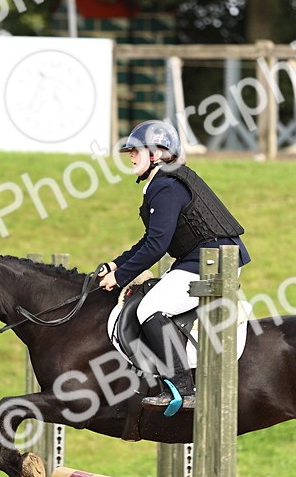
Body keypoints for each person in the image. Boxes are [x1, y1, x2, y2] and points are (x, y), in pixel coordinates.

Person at [98, 119, 250, 416]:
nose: (130, 155)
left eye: (136, 150)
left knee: (148, 309)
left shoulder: (166, 186)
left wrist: (120, 278)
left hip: (210, 263)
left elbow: (156, 246)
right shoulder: (164, 182)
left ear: (156, 153)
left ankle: (184, 388)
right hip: (200, 260)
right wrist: (116, 264)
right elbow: (149, 240)